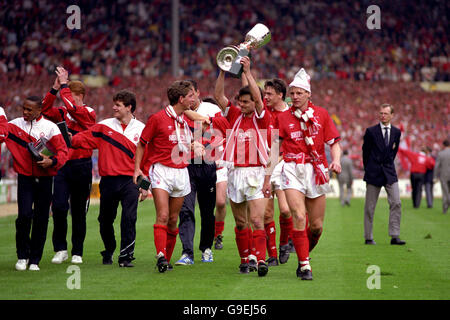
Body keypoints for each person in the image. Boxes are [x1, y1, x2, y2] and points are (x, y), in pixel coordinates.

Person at [270, 68, 342, 280]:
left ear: (309, 94)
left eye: (299, 93)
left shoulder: (322, 114)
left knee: (317, 227)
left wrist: (336, 160)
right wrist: (268, 176)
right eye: (292, 93)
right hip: (292, 168)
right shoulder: (282, 117)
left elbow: (334, 142)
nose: (295, 96)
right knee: (299, 216)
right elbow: (275, 149)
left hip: (316, 169)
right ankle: (304, 266)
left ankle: (303, 254)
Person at [71, 90, 145, 267]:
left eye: (118, 105)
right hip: (109, 181)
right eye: (114, 104)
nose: (114, 107)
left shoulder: (142, 129)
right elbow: (80, 139)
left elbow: (147, 162)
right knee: (104, 220)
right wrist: (65, 137)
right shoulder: (104, 126)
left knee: (129, 218)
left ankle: (126, 257)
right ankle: (109, 249)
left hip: (131, 181)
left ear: (129, 108)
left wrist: (145, 186)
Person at [214, 56, 272, 277]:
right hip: (235, 172)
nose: (242, 105)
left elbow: (258, 98)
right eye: (240, 102)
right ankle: (244, 259)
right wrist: (223, 71)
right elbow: (219, 95)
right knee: (240, 222)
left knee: (257, 219)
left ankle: (261, 259)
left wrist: (247, 71)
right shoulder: (235, 114)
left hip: (256, 172)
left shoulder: (261, 116)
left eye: (245, 102)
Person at [134, 80, 199, 273]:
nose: (193, 98)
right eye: (190, 96)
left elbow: (192, 142)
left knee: (172, 219)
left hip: (181, 172)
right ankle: (161, 255)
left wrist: (197, 146)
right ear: (181, 99)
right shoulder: (158, 118)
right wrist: (138, 169)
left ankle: (166, 260)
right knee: (162, 215)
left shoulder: (187, 120)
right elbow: (142, 143)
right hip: (161, 170)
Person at [0, 98, 69, 271]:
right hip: (25, 178)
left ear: (39, 110)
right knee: (23, 216)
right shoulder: (14, 124)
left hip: (45, 179)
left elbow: (63, 152)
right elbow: (1, 134)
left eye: (29, 110)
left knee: (41, 218)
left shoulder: (50, 128)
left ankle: (35, 260)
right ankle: (22, 256)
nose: (25, 112)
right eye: (24, 109)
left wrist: (52, 162)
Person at [41, 67, 96, 265]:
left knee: (79, 211)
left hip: (82, 165)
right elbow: (45, 110)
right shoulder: (63, 112)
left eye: (70, 95)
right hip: (63, 165)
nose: (66, 100)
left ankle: (77, 251)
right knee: (59, 207)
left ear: (80, 96)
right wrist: (55, 89)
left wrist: (65, 85)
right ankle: (60, 248)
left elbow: (73, 108)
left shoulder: (88, 112)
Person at [174, 80, 223, 266]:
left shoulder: (211, 109)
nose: (190, 98)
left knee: (206, 211)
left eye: (192, 94)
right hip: (186, 165)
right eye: (186, 95)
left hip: (207, 164)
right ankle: (187, 252)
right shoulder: (176, 112)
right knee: (186, 209)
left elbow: (222, 132)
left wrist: (207, 146)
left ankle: (206, 248)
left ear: (198, 92)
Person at [362, 103, 405, 245]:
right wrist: (369, 168)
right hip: (374, 173)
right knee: (370, 207)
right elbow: (365, 153)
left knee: (396, 202)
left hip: (389, 172)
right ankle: (368, 237)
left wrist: (387, 164)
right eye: (381, 113)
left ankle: (395, 235)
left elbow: (394, 151)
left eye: (386, 113)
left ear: (392, 115)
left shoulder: (396, 132)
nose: (383, 116)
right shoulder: (371, 131)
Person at [261, 78, 291, 266]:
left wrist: (275, 162)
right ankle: (272, 254)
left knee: (286, 210)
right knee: (266, 214)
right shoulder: (263, 111)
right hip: (261, 166)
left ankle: (283, 244)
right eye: (264, 93)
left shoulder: (290, 114)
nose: (266, 97)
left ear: (280, 95)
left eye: (270, 94)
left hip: (281, 165)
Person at [434, 139, 450, 214]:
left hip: (444, 175)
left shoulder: (441, 154)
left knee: (445, 193)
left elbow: (437, 166)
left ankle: (445, 209)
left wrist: (435, 176)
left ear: (444, 145)